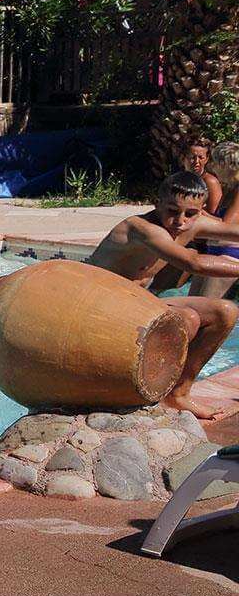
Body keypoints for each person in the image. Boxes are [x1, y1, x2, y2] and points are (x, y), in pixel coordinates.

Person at [85, 170, 239, 419]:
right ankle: (139, 393)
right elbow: (194, 263)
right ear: (157, 203)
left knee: (226, 311)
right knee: (186, 318)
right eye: (172, 210)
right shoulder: (142, 228)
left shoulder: (192, 222)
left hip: (137, 304)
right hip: (100, 309)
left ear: (201, 210)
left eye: (190, 213)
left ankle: (178, 395)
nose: (180, 221)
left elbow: (231, 231)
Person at [188, 141, 239, 300]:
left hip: (230, 255)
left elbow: (226, 225)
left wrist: (198, 212)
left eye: (215, 163)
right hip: (214, 251)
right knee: (191, 304)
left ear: (226, 164)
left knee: (205, 309)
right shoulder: (230, 188)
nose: (212, 167)